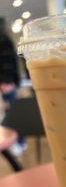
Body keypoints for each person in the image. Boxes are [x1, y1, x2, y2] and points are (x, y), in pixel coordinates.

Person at [0, 18, 25, 155]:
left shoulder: (3, 40)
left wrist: (6, 81)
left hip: (6, 83)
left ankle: (19, 142)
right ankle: (17, 142)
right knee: (9, 113)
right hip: (8, 82)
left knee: (11, 114)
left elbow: (7, 62)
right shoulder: (5, 39)